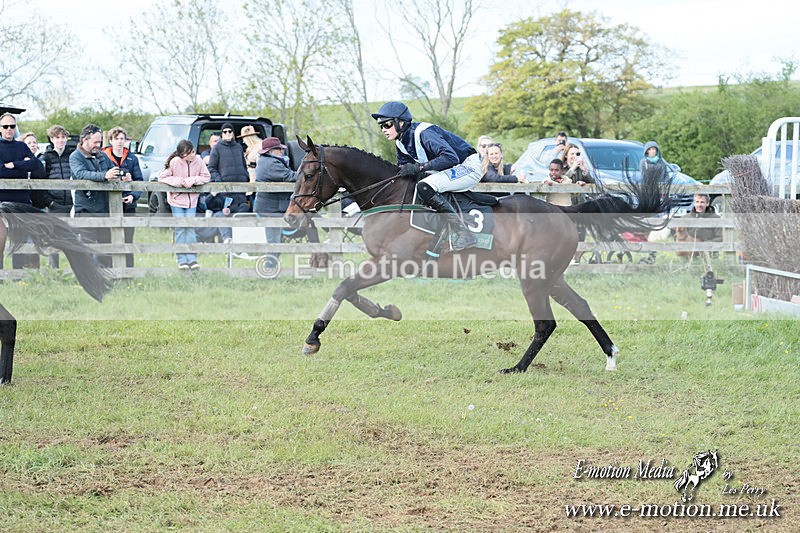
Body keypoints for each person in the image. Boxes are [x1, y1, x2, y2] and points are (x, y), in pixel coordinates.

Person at [371, 101, 480, 251]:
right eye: (381, 126)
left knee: (424, 185)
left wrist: (419, 167)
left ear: (401, 123)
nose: (384, 129)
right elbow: (403, 170)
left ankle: (464, 233)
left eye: (387, 124)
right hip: (449, 168)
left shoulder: (424, 133)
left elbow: (451, 158)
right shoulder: (401, 143)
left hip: (467, 166)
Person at [70, 123, 127, 268]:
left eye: (99, 142)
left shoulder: (101, 155)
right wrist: (105, 176)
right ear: (85, 140)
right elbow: (81, 174)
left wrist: (121, 175)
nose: (98, 145)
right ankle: (88, 276)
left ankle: (105, 275)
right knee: (86, 246)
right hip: (86, 208)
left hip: (103, 208)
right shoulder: (75, 156)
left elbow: (112, 169)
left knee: (106, 246)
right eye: (95, 142)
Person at [0, 114, 45, 269]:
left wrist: (12, 164)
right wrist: (21, 166)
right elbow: (1, 172)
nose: (9, 130)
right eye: (5, 126)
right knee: (1, 236)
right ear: (0, 129)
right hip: (2, 200)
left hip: (21, 199)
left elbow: (36, 164)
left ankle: (18, 274)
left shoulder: (21, 146)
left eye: (12, 126)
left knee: (20, 237)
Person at [158, 140, 211, 270]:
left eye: (192, 152)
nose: (191, 155)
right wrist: (181, 182)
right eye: (188, 154)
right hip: (176, 200)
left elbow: (206, 176)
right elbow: (162, 177)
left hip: (192, 200)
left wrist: (193, 180)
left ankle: (192, 259)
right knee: (181, 228)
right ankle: (182, 260)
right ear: (181, 155)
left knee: (191, 228)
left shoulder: (199, 161)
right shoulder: (175, 162)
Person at [202, 122, 250, 242]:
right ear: (222, 134)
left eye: (230, 131)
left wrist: (246, 176)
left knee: (242, 212)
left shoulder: (238, 147)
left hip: (241, 190)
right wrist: (219, 181)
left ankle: (241, 242)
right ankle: (228, 240)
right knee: (225, 214)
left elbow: (244, 166)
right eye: (225, 132)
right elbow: (211, 168)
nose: (228, 133)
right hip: (226, 192)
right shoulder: (217, 148)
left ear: (233, 133)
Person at [102, 126, 143, 267]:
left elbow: (139, 181)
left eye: (122, 139)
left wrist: (133, 195)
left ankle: (129, 271)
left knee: (128, 239)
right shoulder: (103, 157)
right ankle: (109, 269)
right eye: (116, 139)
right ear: (111, 140)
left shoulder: (132, 158)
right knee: (108, 239)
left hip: (128, 204)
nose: (119, 142)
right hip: (108, 204)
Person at [36, 124, 75, 267]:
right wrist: (50, 203)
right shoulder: (45, 157)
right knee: (54, 237)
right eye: (57, 137)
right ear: (52, 139)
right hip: (54, 204)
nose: (61, 140)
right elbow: (40, 183)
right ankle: (55, 270)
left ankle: (76, 269)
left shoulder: (72, 156)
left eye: (63, 137)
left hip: (71, 204)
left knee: (73, 238)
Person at [253, 136, 295, 247]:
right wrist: (307, 174)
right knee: (273, 242)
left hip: (271, 207)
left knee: (275, 240)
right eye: (279, 149)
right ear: (270, 151)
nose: (282, 151)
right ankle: (270, 264)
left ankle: (272, 262)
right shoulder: (271, 163)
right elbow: (289, 176)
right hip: (270, 208)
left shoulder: (266, 160)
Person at [674, 193, 722, 257]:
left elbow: (721, 237)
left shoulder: (715, 218)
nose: (699, 205)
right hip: (688, 256)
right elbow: (676, 236)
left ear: (707, 203)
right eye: (697, 202)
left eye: (702, 202)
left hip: (709, 255)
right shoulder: (685, 218)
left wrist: (704, 245)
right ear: (694, 203)